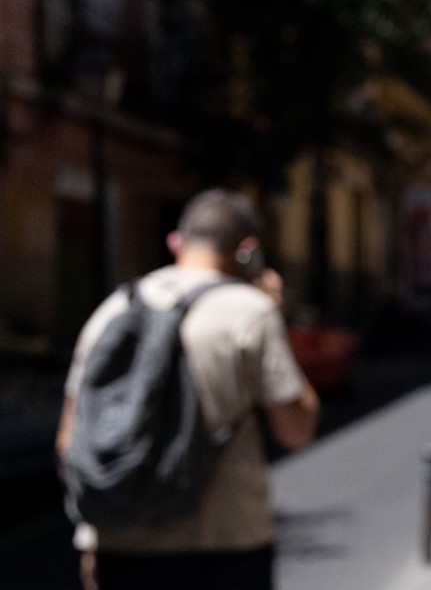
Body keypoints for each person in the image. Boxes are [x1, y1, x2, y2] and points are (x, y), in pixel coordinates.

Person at [55, 189, 320, 590]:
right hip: (225, 544)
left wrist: (92, 537)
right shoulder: (250, 311)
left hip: (121, 545)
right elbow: (296, 430)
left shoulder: (113, 308)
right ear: (247, 250)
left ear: (176, 242)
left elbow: (69, 444)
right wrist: (275, 315)